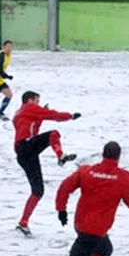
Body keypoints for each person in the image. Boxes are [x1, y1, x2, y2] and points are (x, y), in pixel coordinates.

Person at [30, 141, 129, 256]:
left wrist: (61, 210)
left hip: (81, 224)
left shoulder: (86, 171)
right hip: (95, 231)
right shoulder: (124, 177)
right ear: (118, 157)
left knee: (105, 250)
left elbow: (64, 188)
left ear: (102, 154)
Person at [12, 91, 80, 237]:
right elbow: (54, 115)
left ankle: (23, 223)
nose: (38, 103)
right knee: (53, 134)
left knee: (38, 191)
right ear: (30, 100)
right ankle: (61, 155)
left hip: (24, 153)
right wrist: (71, 116)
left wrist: (41, 116)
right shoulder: (29, 107)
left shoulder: (20, 113)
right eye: (37, 100)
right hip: (26, 146)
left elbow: (31, 127)